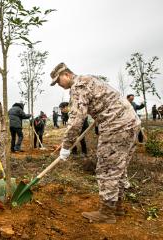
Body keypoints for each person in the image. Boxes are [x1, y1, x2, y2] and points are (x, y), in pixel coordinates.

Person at [50, 63, 140, 224]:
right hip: (131, 122)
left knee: (107, 168)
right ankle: (117, 207)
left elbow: (76, 119)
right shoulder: (89, 79)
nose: (59, 85)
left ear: (67, 75)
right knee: (119, 166)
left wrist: (66, 146)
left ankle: (106, 213)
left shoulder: (78, 86)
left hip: (116, 126)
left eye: (58, 81)